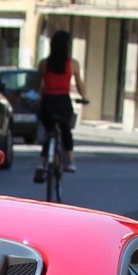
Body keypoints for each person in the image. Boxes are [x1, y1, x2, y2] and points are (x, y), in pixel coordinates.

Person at [37, 30, 83, 173]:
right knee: (65, 130)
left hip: (48, 102)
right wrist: (84, 97)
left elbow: (37, 85)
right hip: (63, 102)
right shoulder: (73, 64)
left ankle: (42, 163)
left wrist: (38, 95)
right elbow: (80, 84)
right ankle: (71, 161)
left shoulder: (44, 63)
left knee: (49, 130)